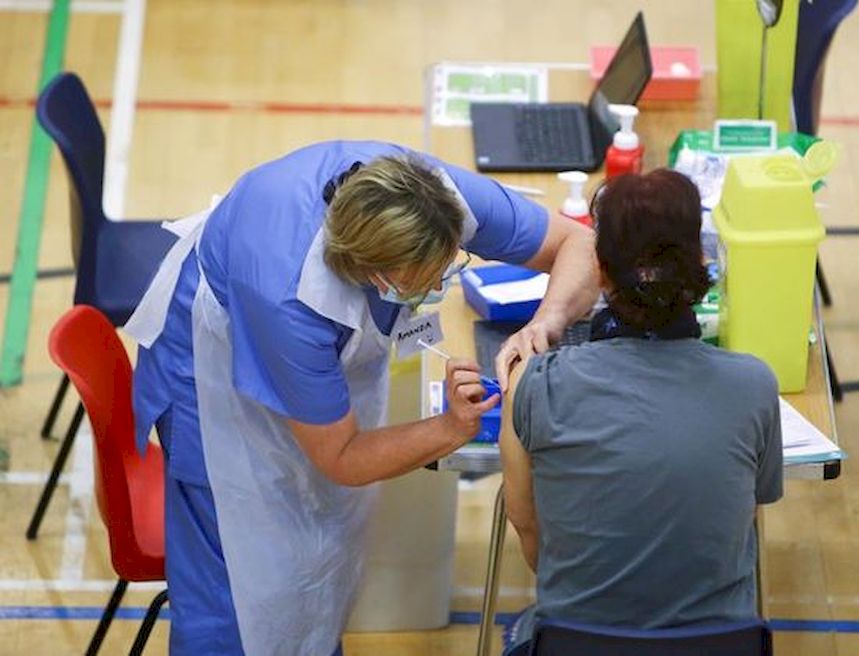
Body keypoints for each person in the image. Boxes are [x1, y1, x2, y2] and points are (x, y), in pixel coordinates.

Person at [123, 140, 597, 654]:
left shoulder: (434, 196)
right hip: (208, 376)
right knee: (238, 583)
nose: (441, 285)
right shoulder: (287, 301)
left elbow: (577, 244)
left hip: (290, 315)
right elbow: (342, 457)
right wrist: (448, 429)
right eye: (426, 279)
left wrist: (543, 325)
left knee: (312, 552)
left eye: (448, 265)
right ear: (374, 273)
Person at [499, 169, 783, 652]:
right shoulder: (754, 385)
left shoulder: (536, 383)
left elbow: (530, 533)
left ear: (601, 272)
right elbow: (739, 524)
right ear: (701, 261)